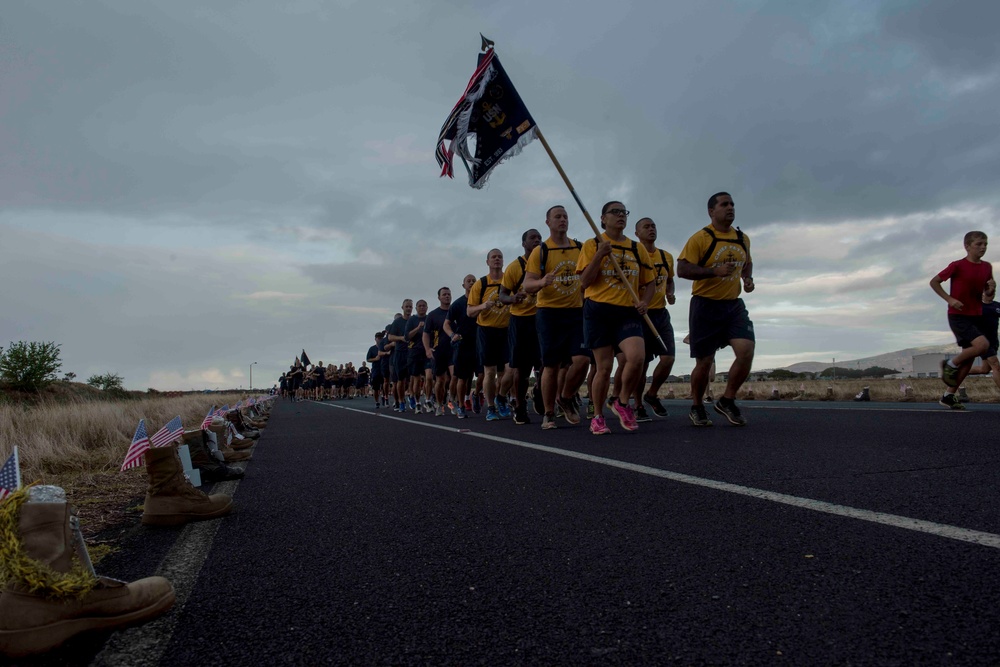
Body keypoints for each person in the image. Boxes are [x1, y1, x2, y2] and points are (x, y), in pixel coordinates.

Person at [576, 201, 655, 435]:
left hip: (627, 311)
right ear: (603, 219)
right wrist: (600, 255)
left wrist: (645, 302)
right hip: (598, 310)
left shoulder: (636, 248)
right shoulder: (592, 244)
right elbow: (584, 281)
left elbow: (649, 282)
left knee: (637, 358)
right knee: (604, 368)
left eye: (624, 212)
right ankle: (598, 416)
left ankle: (621, 402)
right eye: (615, 212)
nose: (621, 216)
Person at [677, 192, 755, 426]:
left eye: (732, 204)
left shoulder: (742, 238)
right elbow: (682, 270)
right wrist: (714, 271)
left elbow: (747, 262)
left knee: (746, 351)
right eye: (724, 204)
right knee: (705, 362)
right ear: (711, 211)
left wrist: (747, 279)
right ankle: (697, 405)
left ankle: (727, 400)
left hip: (733, 305)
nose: (730, 208)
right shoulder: (700, 238)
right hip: (705, 305)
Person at [523, 205, 591, 430]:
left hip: (575, 312)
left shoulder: (579, 248)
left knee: (582, 360)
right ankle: (549, 413)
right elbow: (528, 284)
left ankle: (566, 396)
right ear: (548, 222)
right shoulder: (541, 251)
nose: (562, 220)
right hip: (549, 313)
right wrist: (542, 282)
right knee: (550, 366)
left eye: (565, 216)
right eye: (557, 217)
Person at [930, 231, 995, 409]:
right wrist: (949, 299)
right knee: (982, 345)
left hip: (977, 315)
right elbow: (934, 282)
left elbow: (987, 292)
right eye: (979, 244)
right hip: (958, 315)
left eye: (985, 244)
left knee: (968, 361)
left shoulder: (987, 267)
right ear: (967, 246)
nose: (983, 247)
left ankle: (948, 396)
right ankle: (950, 364)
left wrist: (990, 291)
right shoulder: (957, 265)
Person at [500, 229, 543, 424]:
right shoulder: (514, 268)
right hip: (521, 321)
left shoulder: (547, 262)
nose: (537, 241)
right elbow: (502, 295)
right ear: (524, 243)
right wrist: (512, 298)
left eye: (539, 238)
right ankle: (519, 406)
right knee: (522, 370)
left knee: (548, 364)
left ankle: (540, 392)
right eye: (532, 238)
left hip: (544, 317)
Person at [468, 249, 511, 421]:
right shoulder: (481, 284)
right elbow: (469, 311)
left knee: (511, 370)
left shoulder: (509, 280)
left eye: (500, 257)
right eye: (493, 257)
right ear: (487, 262)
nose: (497, 259)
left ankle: (501, 397)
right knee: (490, 372)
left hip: (507, 330)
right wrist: (482, 306)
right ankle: (491, 407)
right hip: (487, 330)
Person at [444, 274, 478, 419]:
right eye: (468, 281)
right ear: (463, 285)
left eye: (474, 281)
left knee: (482, 374)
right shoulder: (457, 304)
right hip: (463, 344)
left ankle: (476, 395)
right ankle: (461, 405)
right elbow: (446, 324)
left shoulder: (481, 301)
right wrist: (452, 335)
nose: (471, 283)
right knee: (462, 377)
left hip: (480, 342)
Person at [424, 287, 454, 416]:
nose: (447, 296)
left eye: (449, 294)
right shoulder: (433, 315)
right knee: (440, 380)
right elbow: (425, 334)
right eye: (444, 294)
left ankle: (453, 402)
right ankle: (439, 404)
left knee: (455, 377)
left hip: (454, 350)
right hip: (439, 351)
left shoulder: (455, 311)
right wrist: (428, 350)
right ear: (439, 297)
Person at [387, 301, 413, 411]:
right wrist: (401, 338)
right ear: (402, 307)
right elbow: (390, 337)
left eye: (410, 307)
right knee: (400, 380)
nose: (408, 308)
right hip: (400, 353)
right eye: (406, 306)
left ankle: (412, 397)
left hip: (412, 352)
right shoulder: (397, 322)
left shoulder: (415, 320)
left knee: (413, 378)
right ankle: (401, 401)